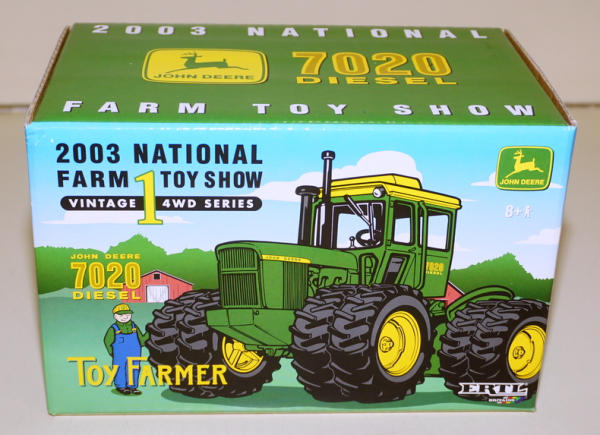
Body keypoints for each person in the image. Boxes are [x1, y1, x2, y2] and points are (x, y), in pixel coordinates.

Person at [103, 303, 149, 395]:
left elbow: (142, 341)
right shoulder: (113, 329)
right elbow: (107, 341)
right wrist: (111, 352)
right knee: (120, 368)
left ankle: (133, 387)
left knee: (134, 368)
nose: (125, 317)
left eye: (127, 314)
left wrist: (149, 332)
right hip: (120, 355)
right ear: (115, 316)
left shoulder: (134, 327)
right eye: (121, 315)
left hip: (135, 354)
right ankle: (121, 386)